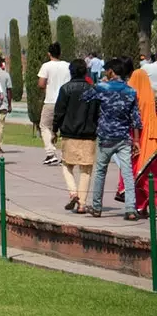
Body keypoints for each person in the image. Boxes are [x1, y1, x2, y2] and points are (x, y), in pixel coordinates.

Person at [86, 57, 140, 219]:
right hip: (124, 138)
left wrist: (96, 85)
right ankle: (130, 209)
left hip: (105, 136)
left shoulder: (102, 87)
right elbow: (136, 118)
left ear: (111, 72)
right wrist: (136, 140)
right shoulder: (131, 91)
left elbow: (85, 97)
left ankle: (96, 206)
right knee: (127, 172)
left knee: (101, 171)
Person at [51, 58, 97, 212]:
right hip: (88, 134)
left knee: (66, 164)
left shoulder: (66, 89)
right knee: (86, 170)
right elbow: (97, 113)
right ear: (85, 72)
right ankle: (82, 204)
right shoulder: (93, 89)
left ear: (70, 72)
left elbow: (59, 112)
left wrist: (54, 130)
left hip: (69, 133)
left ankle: (73, 192)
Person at [127, 63, 156, 219]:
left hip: (140, 140)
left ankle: (147, 205)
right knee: (149, 174)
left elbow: (135, 121)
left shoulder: (133, 98)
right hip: (152, 140)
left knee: (141, 174)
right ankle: (144, 206)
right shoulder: (152, 98)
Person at [36, 42, 70, 166]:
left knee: (44, 126)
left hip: (51, 100)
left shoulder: (46, 66)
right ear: (60, 53)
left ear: (49, 54)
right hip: (65, 101)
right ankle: (65, 155)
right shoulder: (67, 66)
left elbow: (41, 83)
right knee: (64, 128)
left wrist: (46, 88)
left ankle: (50, 153)